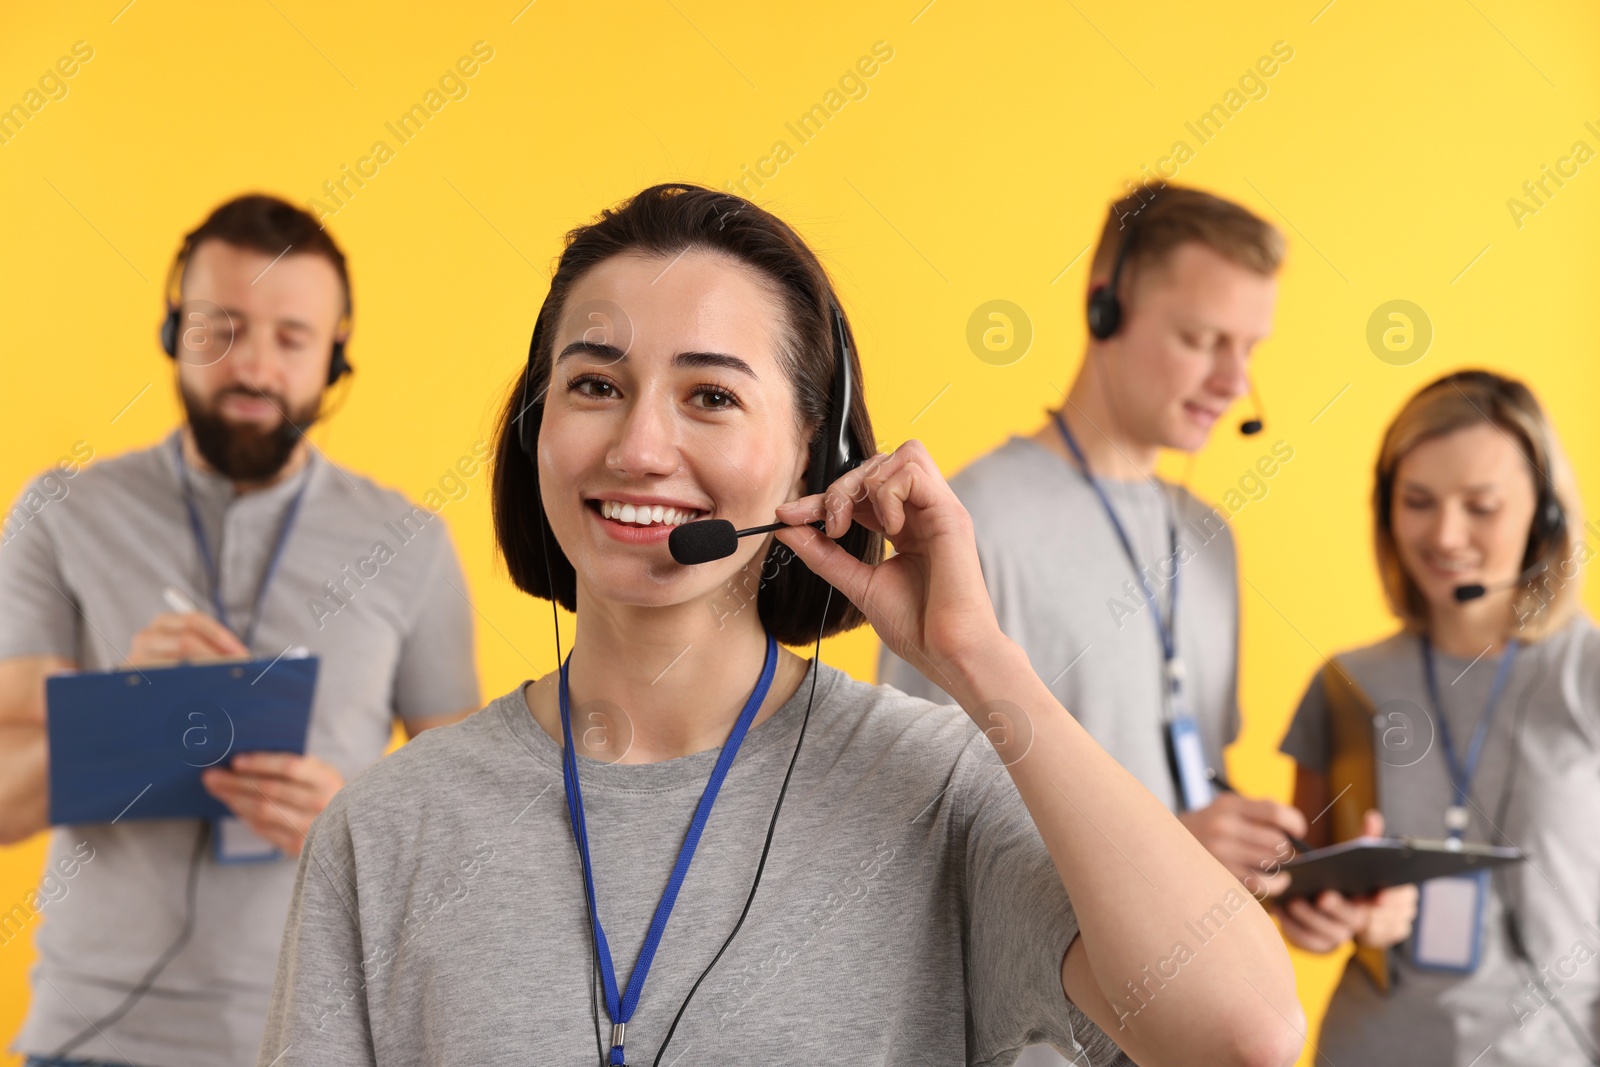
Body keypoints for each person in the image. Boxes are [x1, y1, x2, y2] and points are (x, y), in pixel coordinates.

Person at [255, 183, 1304, 1067]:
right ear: (537, 429)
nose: (638, 445)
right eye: (593, 384)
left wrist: (984, 666)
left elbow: (1242, 1032)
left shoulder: (934, 789)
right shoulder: (389, 827)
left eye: (710, 395)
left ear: (814, 456)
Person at [0, 194, 481, 1067]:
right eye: (221, 329)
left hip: (322, 1041)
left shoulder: (409, 544)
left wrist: (350, 824)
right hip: (89, 1039)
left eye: (290, 338)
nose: (252, 366)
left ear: (335, 358)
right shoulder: (61, 513)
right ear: (172, 332)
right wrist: (126, 711)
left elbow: (469, 824)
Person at [881, 183, 1307, 901]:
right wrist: (1163, 848)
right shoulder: (973, 521)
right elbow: (923, 816)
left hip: (1187, 998)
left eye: (1250, 348)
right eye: (1203, 341)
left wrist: (1281, 875)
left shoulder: (1210, 540)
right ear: (1104, 307)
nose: (1235, 382)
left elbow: (1195, 776)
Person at [1279, 370, 1600, 1066]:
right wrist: (1334, 917)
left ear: (1545, 514)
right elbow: (1298, 899)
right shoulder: (1345, 684)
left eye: (1481, 505)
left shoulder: (1588, 674)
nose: (1446, 534)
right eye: (1417, 501)